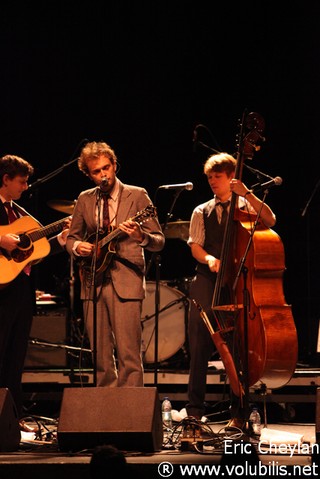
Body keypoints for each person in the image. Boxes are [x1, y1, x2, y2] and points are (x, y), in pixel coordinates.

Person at [186, 152, 276, 428]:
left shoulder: (246, 208)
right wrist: (210, 258)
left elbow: (270, 220)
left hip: (239, 283)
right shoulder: (201, 210)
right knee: (199, 343)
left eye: (218, 176)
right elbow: (195, 246)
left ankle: (239, 410)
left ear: (231, 178)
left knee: (238, 348)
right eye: (210, 177)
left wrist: (247, 194)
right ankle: (194, 411)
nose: (213, 181)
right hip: (208, 278)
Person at [66, 141, 165, 388]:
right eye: (97, 171)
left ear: (114, 165)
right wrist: (79, 247)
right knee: (99, 355)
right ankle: (105, 413)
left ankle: (130, 414)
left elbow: (159, 241)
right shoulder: (85, 199)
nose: (104, 175)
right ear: (89, 175)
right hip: (92, 281)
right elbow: (71, 238)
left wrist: (140, 236)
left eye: (106, 168)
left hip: (126, 279)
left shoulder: (138, 195)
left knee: (129, 354)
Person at [0, 154, 70, 434]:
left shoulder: (20, 214)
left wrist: (60, 241)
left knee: (16, 357)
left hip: (19, 290)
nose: (26, 187)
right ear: (5, 179)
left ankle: (13, 418)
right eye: (21, 181)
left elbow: (33, 251)